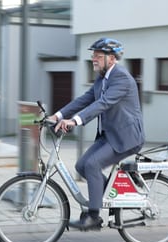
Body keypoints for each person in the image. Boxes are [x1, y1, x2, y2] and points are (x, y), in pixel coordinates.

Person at [48, 38, 145, 230]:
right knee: (82, 165)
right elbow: (84, 99)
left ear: (112, 59)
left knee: (92, 164)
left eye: (98, 56)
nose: (93, 59)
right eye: (93, 55)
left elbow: (103, 104)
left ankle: (94, 216)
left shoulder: (121, 78)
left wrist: (74, 121)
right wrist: (57, 115)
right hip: (110, 135)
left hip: (126, 137)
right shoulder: (102, 78)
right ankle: (113, 194)